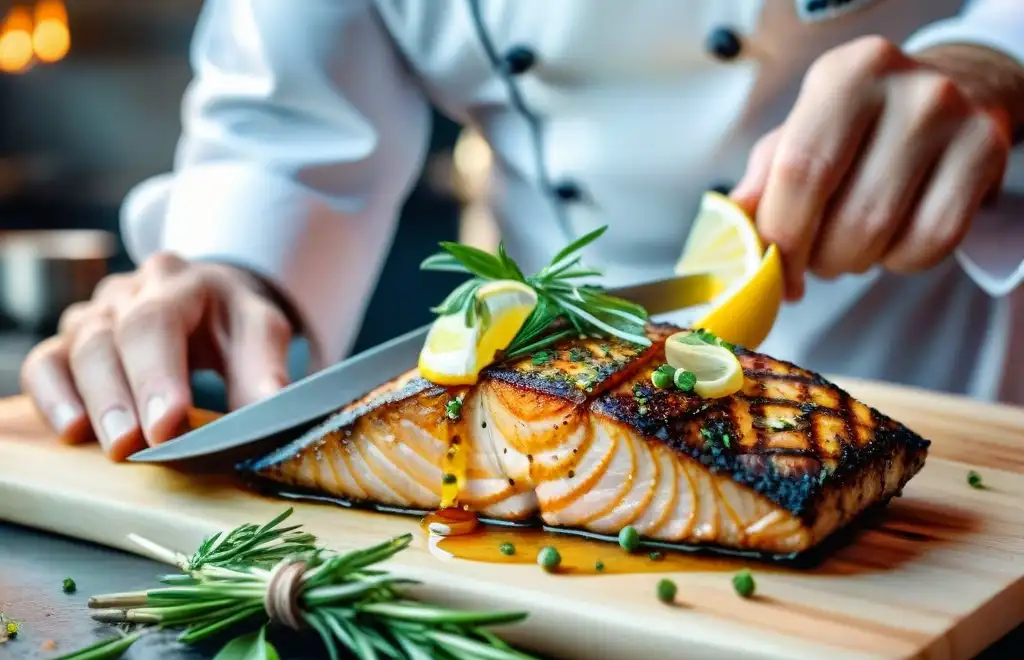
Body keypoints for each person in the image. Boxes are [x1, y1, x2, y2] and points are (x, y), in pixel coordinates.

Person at [19, 0, 1024, 461]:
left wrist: (998, 63)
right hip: (555, 416)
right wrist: (233, 271)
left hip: (951, 398)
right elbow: (285, 121)